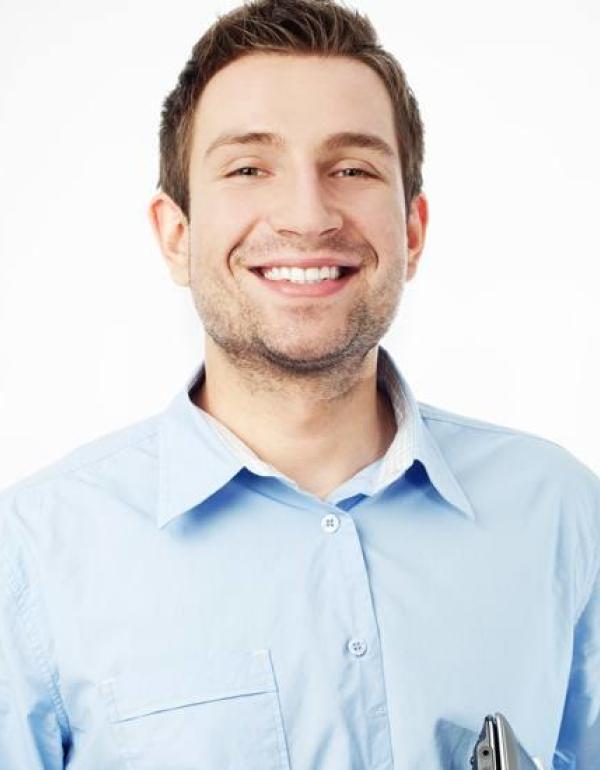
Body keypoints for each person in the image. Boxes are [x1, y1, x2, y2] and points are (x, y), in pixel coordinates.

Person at [1, 0, 598, 768]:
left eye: (351, 169)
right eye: (249, 169)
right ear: (176, 235)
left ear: (413, 232)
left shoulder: (562, 515)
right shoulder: (33, 555)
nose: (307, 216)